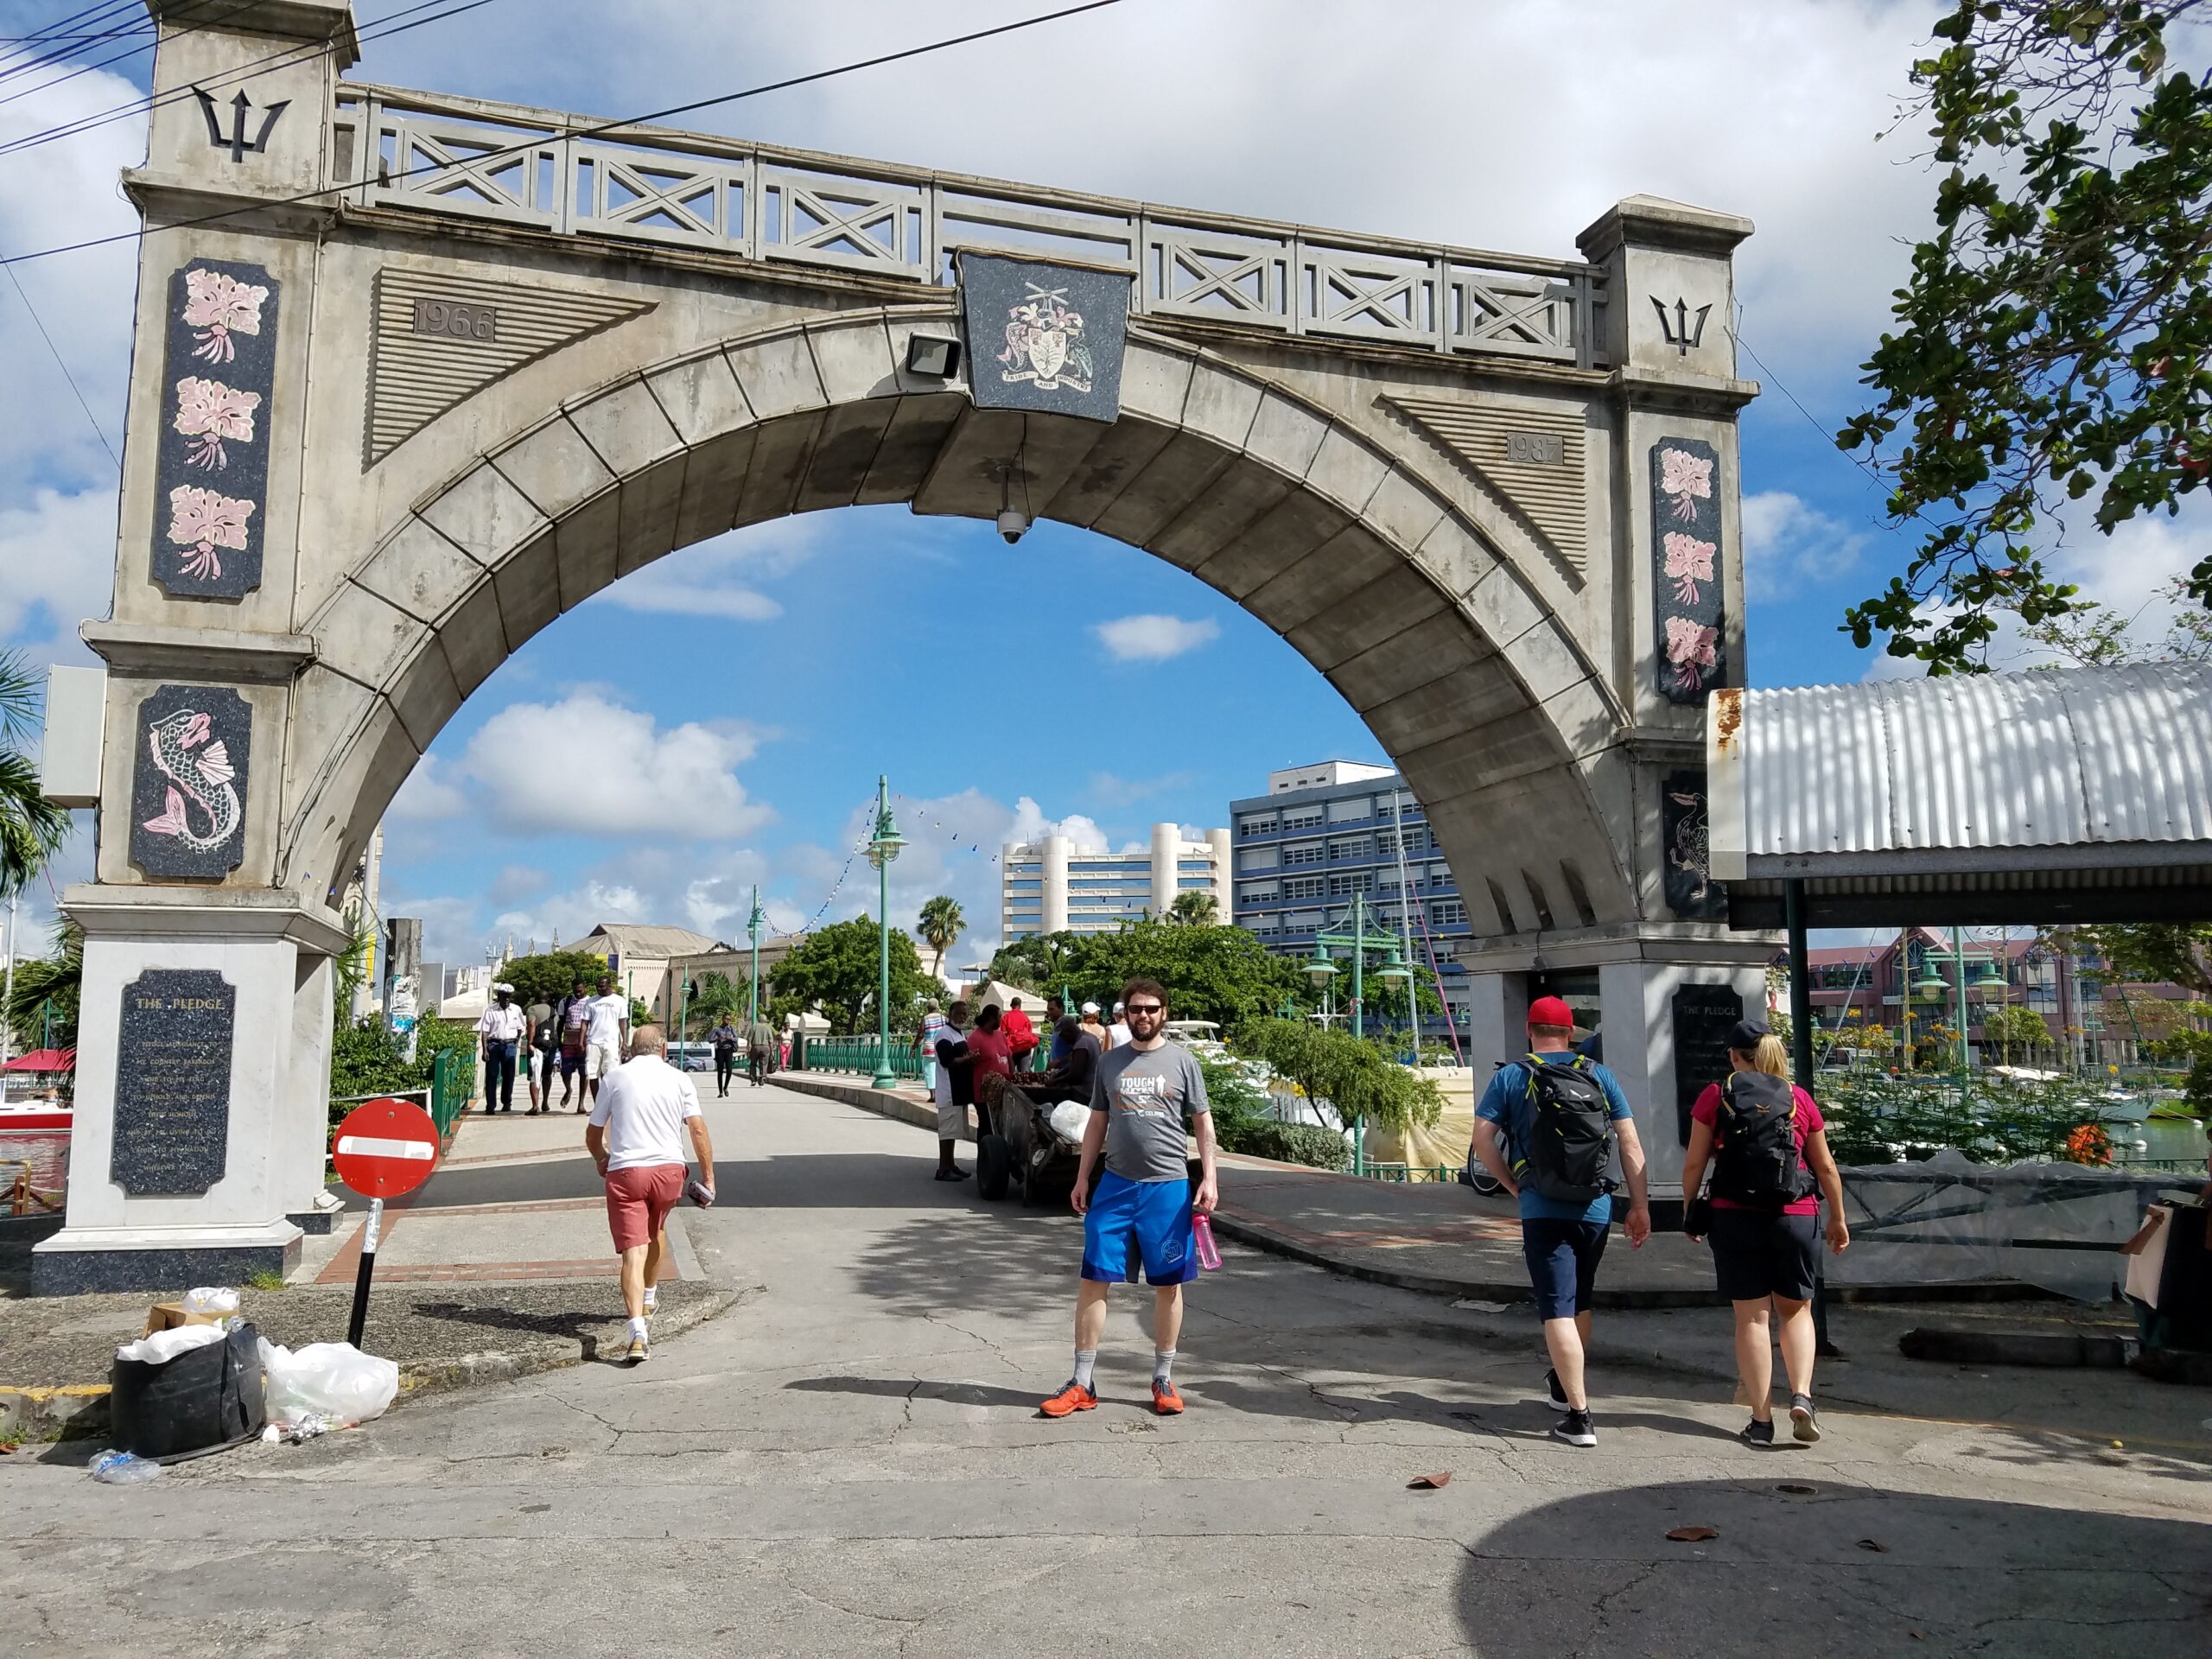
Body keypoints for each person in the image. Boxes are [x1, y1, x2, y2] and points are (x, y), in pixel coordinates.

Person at [1469, 995, 1651, 1448]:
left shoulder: (1512, 1076)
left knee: (1556, 1309)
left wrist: (1512, 1185)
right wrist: (1641, 1205)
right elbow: (1630, 1144)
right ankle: (1561, 1384)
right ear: (1572, 1034)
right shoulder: (1598, 1074)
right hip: (1595, 1208)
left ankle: (1580, 1417)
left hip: (1542, 1207)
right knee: (1580, 1301)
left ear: (1530, 1031)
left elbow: (1482, 1140)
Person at [1040, 978, 1218, 1420]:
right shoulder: (1110, 1063)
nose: (1143, 1015)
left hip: (1168, 1188)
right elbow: (1097, 1122)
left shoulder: (1183, 1062)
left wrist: (1210, 1178)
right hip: (1116, 1186)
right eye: (1135, 1008)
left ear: (1164, 1013)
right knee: (1093, 1278)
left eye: (1152, 1008)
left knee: (1168, 1284)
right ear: (1126, 1012)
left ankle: (1163, 1377)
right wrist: (1083, 1177)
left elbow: (1203, 1124)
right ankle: (1082, 1383)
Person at [1680, 1019, 1849, 1446]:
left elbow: (1695, 1164)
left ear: (1734, 1057)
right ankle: (1802, 1396)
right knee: (1796, 1311)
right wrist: (1838, 1217)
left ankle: (1760, 1422)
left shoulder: (1716, 1096)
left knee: (1752, 1318)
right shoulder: (1799, 1099)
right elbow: (1825, 1165)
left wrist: (1690, 1212)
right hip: (1796, 1215)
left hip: (1734, 1217)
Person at [586, 1026, 715, 1365]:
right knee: (656, 1230)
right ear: (663, 1049)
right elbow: (698, 1129)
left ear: (629, 1049)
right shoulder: (680, 1079)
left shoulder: (614, 1077)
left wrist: (602, 1159)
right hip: (669, 1173)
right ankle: (650, 1297)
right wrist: (710, 1180)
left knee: (633, 1250)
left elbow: (593, 1133)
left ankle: (637, 1334)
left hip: (627, 1173)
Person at [930, 1001, 976, 1181]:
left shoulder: (959, 1034)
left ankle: (951, 1164)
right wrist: (968, 1059)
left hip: (959, 1092)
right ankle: (943, 1168)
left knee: (953, 1132)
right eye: (959, 1013)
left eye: (965, 1014)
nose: (962, 1017)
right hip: (949, 1091)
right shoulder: (944, 1035)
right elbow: (947, 1061)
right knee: (947, 1132)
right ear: (950, 1014)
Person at [475, 982, 526, 1115]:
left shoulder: (516, 1010)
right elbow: (485, 1031)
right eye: (504, 996)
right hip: (494, 1045)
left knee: (509, 1075)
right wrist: (485, 1050)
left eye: (509, 996)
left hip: (509, 1045)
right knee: (492, 1075)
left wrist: (516, 1040)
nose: (507, 999)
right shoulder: (491, 1010)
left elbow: (520, 1027)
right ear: (499, 996)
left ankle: (507, 1102)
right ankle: (490, 1105)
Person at [1030, 1014, 1101, 1105]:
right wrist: (1057, 1075)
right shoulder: (1090, 1037)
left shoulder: (1081, 1044)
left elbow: (1076, 1074)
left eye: (1063, 1036)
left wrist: (1056, 1081)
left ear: (1068, 1032)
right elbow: (1072, 1065)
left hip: (1085, 1092)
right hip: (1092, 1090)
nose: (1064, 1040)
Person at [583, 974, 629, 1109]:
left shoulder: (620, 1001)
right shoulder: (590, 1002)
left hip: (611, 1042)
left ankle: (610, 1104)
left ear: (609, 986)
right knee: (592, 1075)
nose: (599, 989)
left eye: (602, 986)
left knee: (610, 1075)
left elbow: (622, 1023)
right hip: (593, 1042)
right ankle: (598, 1105)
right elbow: (585, 1023)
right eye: (598, 986)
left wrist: (624, 1041)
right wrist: (582, 1041)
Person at [556, 977, 592, 1110]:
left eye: (580, 991)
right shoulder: (566, 1002)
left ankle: (581, 1103)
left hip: (585, 1041)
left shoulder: (591, 1002)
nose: (578, 994)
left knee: (584, 1072)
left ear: (585, 988)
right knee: (565, 1071)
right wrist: (559, 1040)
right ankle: (568, 1089)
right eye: (575, 991)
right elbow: (561, 1022)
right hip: (569, 1040)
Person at [524, 991, 556, 1114]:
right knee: (547, 1075)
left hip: (537, 1046)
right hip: (551, 1046)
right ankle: (545, 1103)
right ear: (548, 999)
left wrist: (530, 1043)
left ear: (536, 998)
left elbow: (532, 1025)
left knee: (534, 1076)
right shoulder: (554, 1011)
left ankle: (535, 1106)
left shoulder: (532, 1009)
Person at [914, 1002, 951, 1096]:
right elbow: (951, 1027)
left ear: (928, 1008)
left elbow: (920, 1034)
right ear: (937, 1007)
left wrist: (914, 1046)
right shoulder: (943, 1018)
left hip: (929, 1047)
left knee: (929, 1071)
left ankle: (933, 1095)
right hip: (941, 1046)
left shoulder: (925, 1018)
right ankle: (942, 1093)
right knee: (941, 1070)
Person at [1003, 997, 1039, 1072]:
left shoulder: (1006, 1017)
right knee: (1024, 1073)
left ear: (1011, 1005)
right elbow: (1029, 1033)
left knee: (1010, 1072)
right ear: (1020, 1006)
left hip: (1011, 1048)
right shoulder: (1025, 1017)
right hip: (1025, 1048)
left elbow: (1003, 1034)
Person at [709, 1016, 741, 1098]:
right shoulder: (717, 1029)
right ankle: (720, 1092)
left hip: (729, 1050)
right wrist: (718, 1038)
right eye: (727, 1019)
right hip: (720, 1051)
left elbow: (736, 1039)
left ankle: (725, 1087)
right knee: (720, 1072)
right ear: (723, 1019)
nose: (728, 1021)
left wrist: (731, 1038)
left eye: (729, 1019)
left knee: (729, 1071)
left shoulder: (731, 1029)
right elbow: (710, 1039)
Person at [745, 1012, 776, 1086]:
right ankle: (762, 1079)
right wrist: (772, 1051)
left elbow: (749, 1039)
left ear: (758, 1019)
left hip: (755, 1047)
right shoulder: (768, 1028)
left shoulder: (754, 1027)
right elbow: (771, 1041)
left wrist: (748, 1049)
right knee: (764, 1064)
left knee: (753, 1064)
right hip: (765, 1048)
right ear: (765, 1020)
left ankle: (753, 1079)